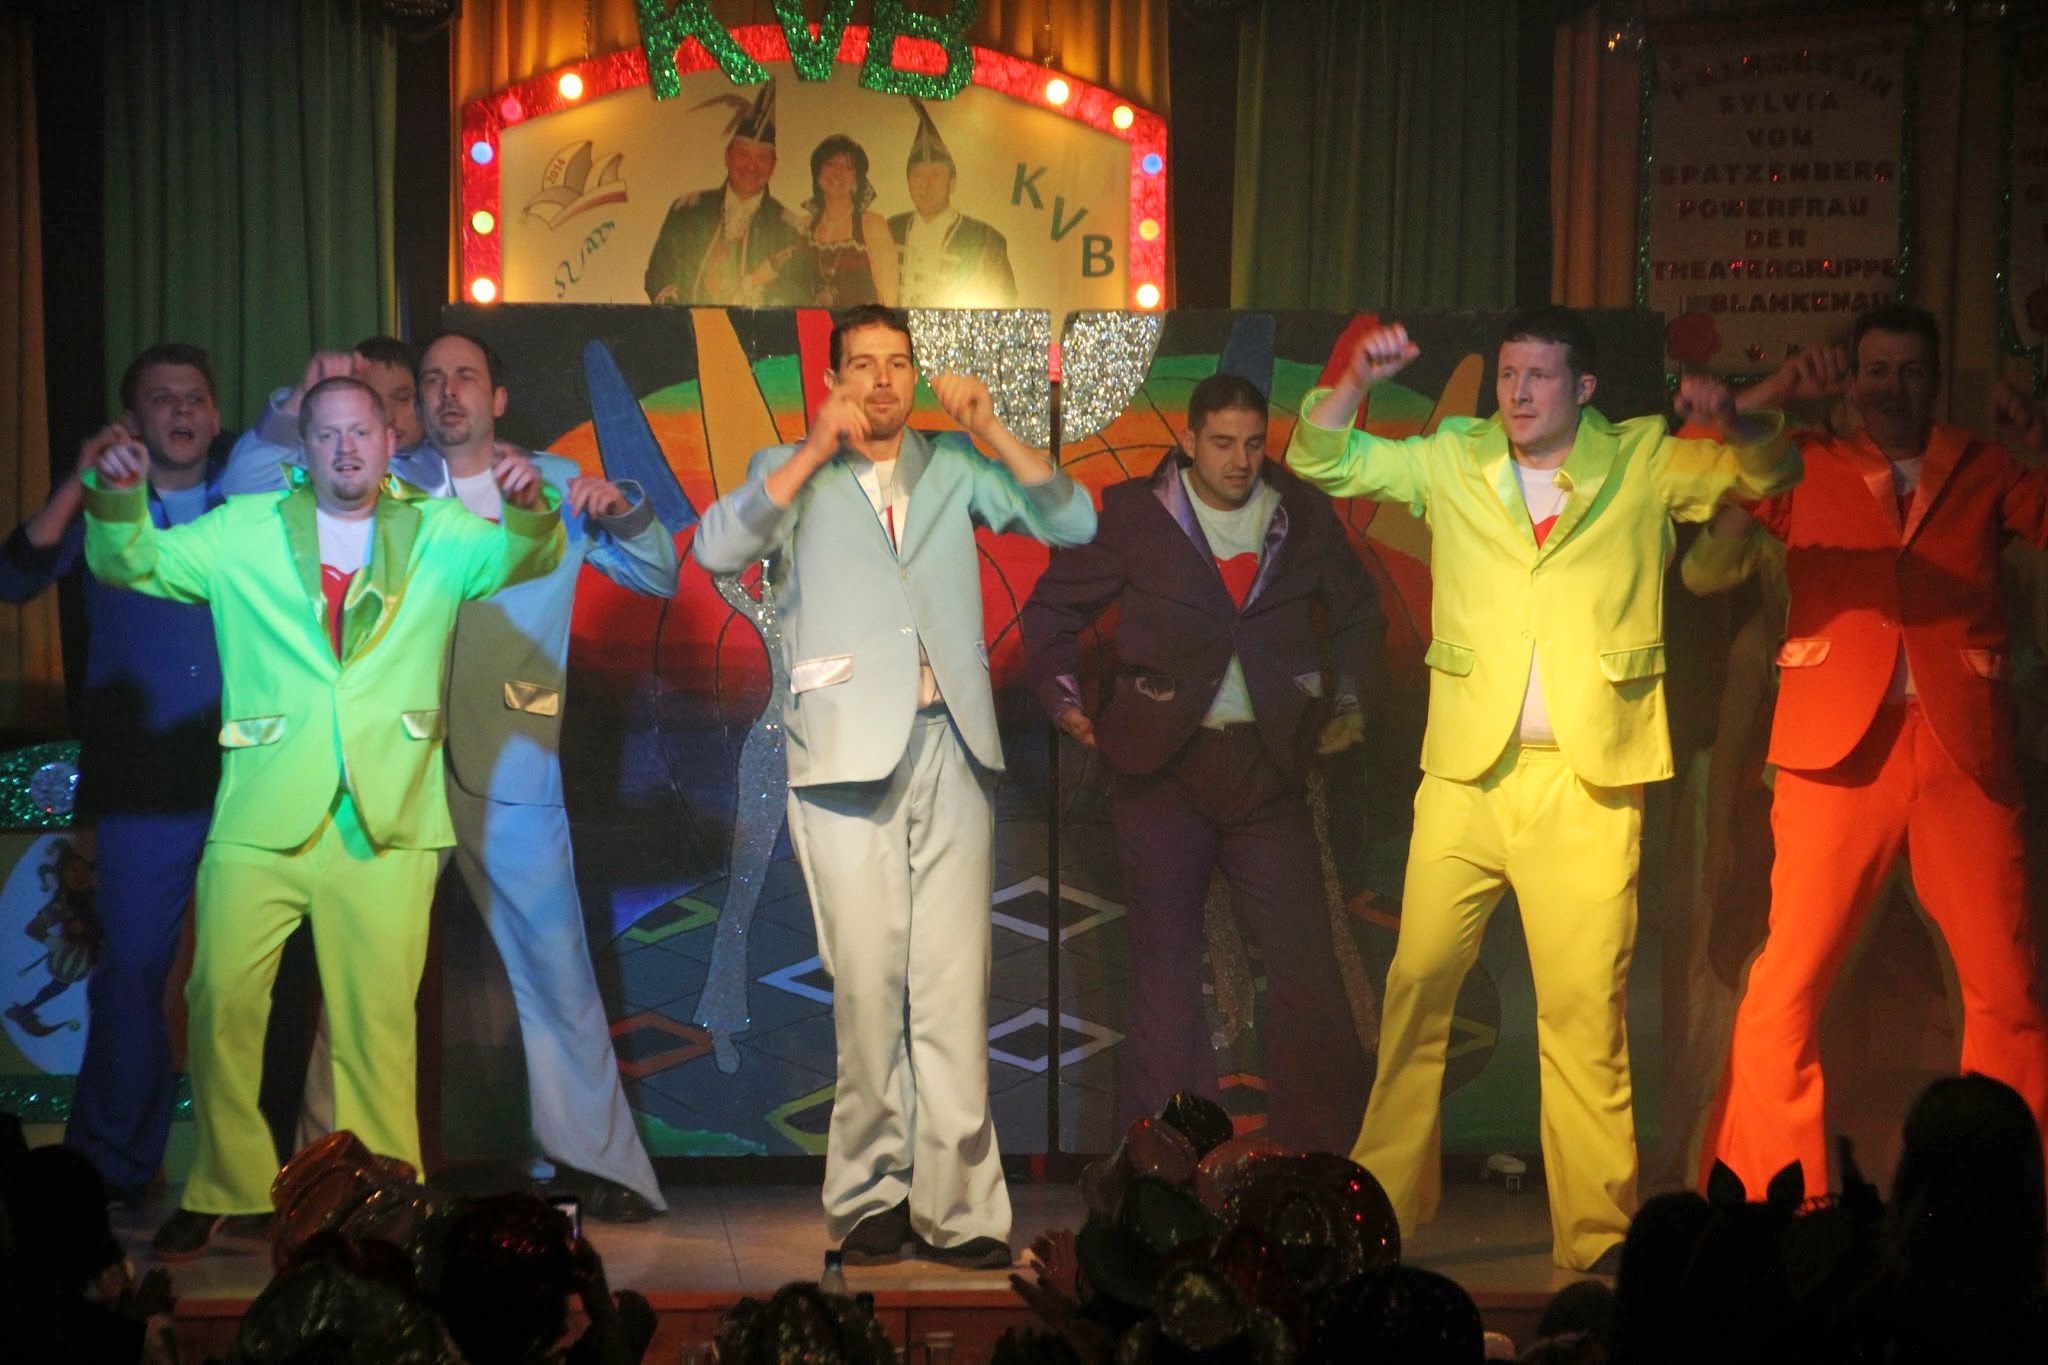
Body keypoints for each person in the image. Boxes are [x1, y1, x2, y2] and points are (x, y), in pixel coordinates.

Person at [1288, 307, 1798, 1271]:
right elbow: (1322, 459)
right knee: (1417, 988)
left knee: (1583, 1013)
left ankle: (1596, 1233)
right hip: (1466, 776)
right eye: (1508, 375)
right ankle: (1381, 1206)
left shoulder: (1640, 459)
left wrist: (1732, 418)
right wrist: (1352, 377)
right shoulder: (1454, 455)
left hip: (1589, 780)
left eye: (1539, 376)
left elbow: (1768, 477)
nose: (1518, 392)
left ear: (1584, 388)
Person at [81, 375, 565, 1257]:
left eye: (362, 432)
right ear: (303, 450)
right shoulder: (242, 529)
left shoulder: (440, 531)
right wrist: (116, 498)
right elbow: (132, 562)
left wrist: (532, 510)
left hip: (388, 815)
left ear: (389, 442)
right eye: (329, 434)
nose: (346, 447)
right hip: (263, 808)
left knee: (376, 1024)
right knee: (217, 998)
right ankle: (227, 1182)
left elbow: (521, 559)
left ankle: (385, 1201)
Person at [228, 332, 677, 1222]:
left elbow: (659, 572)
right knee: (360, 978)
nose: (446, 391)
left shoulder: (553, 483)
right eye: (431, 379)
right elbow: (247, 488)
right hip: (396, 772)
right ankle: (330, 1174)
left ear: (498, 397)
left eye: (465, 375)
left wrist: (622, 509)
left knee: (558, 973)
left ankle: (600, 1165)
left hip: (513, 767)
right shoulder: (385, 481)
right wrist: (287, 409)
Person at [692, 304, 1096, 1268]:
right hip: (841, 752)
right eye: (863, 364)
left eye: (898, 363)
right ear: (833, 379)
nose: (883, 379)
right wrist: (811, 450)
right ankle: (871, 1194)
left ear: (916, 377)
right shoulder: (790, 470)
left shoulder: (953, 465)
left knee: (954, 986)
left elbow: (1074, 519)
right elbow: (715, 549)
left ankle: (962, 1210)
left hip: (952, 742)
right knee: (868, 987)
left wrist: (992, 428)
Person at [1686, 307, 2048, 1199]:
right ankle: (1773, 1194)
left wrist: (2039, 443)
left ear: (1935, 380)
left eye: (1910, 371)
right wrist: (1774, 391)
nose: (1893, 387)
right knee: (1786, 983)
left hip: (1961, 749)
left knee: (2006, 987)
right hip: (1832, 751)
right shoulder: (1803, 460)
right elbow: (1699, 464)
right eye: (1877, 370)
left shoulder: (1982, 464)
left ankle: (2008, 1195)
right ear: (1852, 382)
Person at [1020, 372, 1381, 1149]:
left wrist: (1348, 702)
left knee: (1306, 970)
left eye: (1252, 443)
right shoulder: (1135, 513)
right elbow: (1051, 610)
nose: (1240, 459)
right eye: (1222, 442)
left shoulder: (1299, 511)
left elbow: (1359, 611)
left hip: (1268, 770)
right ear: (1188, 441)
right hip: (1162, 772)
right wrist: (1064, 697)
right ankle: (1169, 1162)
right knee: (1164, 975)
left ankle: (1314, 1162)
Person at [0, 343, 231, 1206]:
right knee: (132, 971)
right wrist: (80, 477)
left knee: (252, 982)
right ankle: (113, 1166)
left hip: (252, 771)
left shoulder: (253, 502)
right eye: (162, 398)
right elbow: (13, 575)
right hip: (142, 782)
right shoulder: (106, 507)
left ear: (216, 414)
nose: (182, 409)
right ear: (132, 420)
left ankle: (260, 1173)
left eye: (195, 396)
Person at [642, 79, 809, 307]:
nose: (751, 166)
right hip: (689, 326)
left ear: (773, 166)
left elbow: (799, 291)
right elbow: (659, 273)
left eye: (762, 157)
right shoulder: (687, 212)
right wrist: (679, 312)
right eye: (743, 154)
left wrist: (761, 304)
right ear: (727, 157)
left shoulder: (789, 229)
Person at [888, 98, 1016, 308]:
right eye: (917, 175)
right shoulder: (889, 230)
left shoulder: (985, 240)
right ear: (908, 182)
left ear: (952, 183)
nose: (926, 185)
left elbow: (1004, 305)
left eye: (936, 175)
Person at [804, 134, 897, 308]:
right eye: (830, 164)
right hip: (809, 323)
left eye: (847, 167)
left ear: (857, 178)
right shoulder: (802, 226)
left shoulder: (873, 225)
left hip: (859, 324)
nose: (837, 173)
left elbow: (889, 300)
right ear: (817, 173)